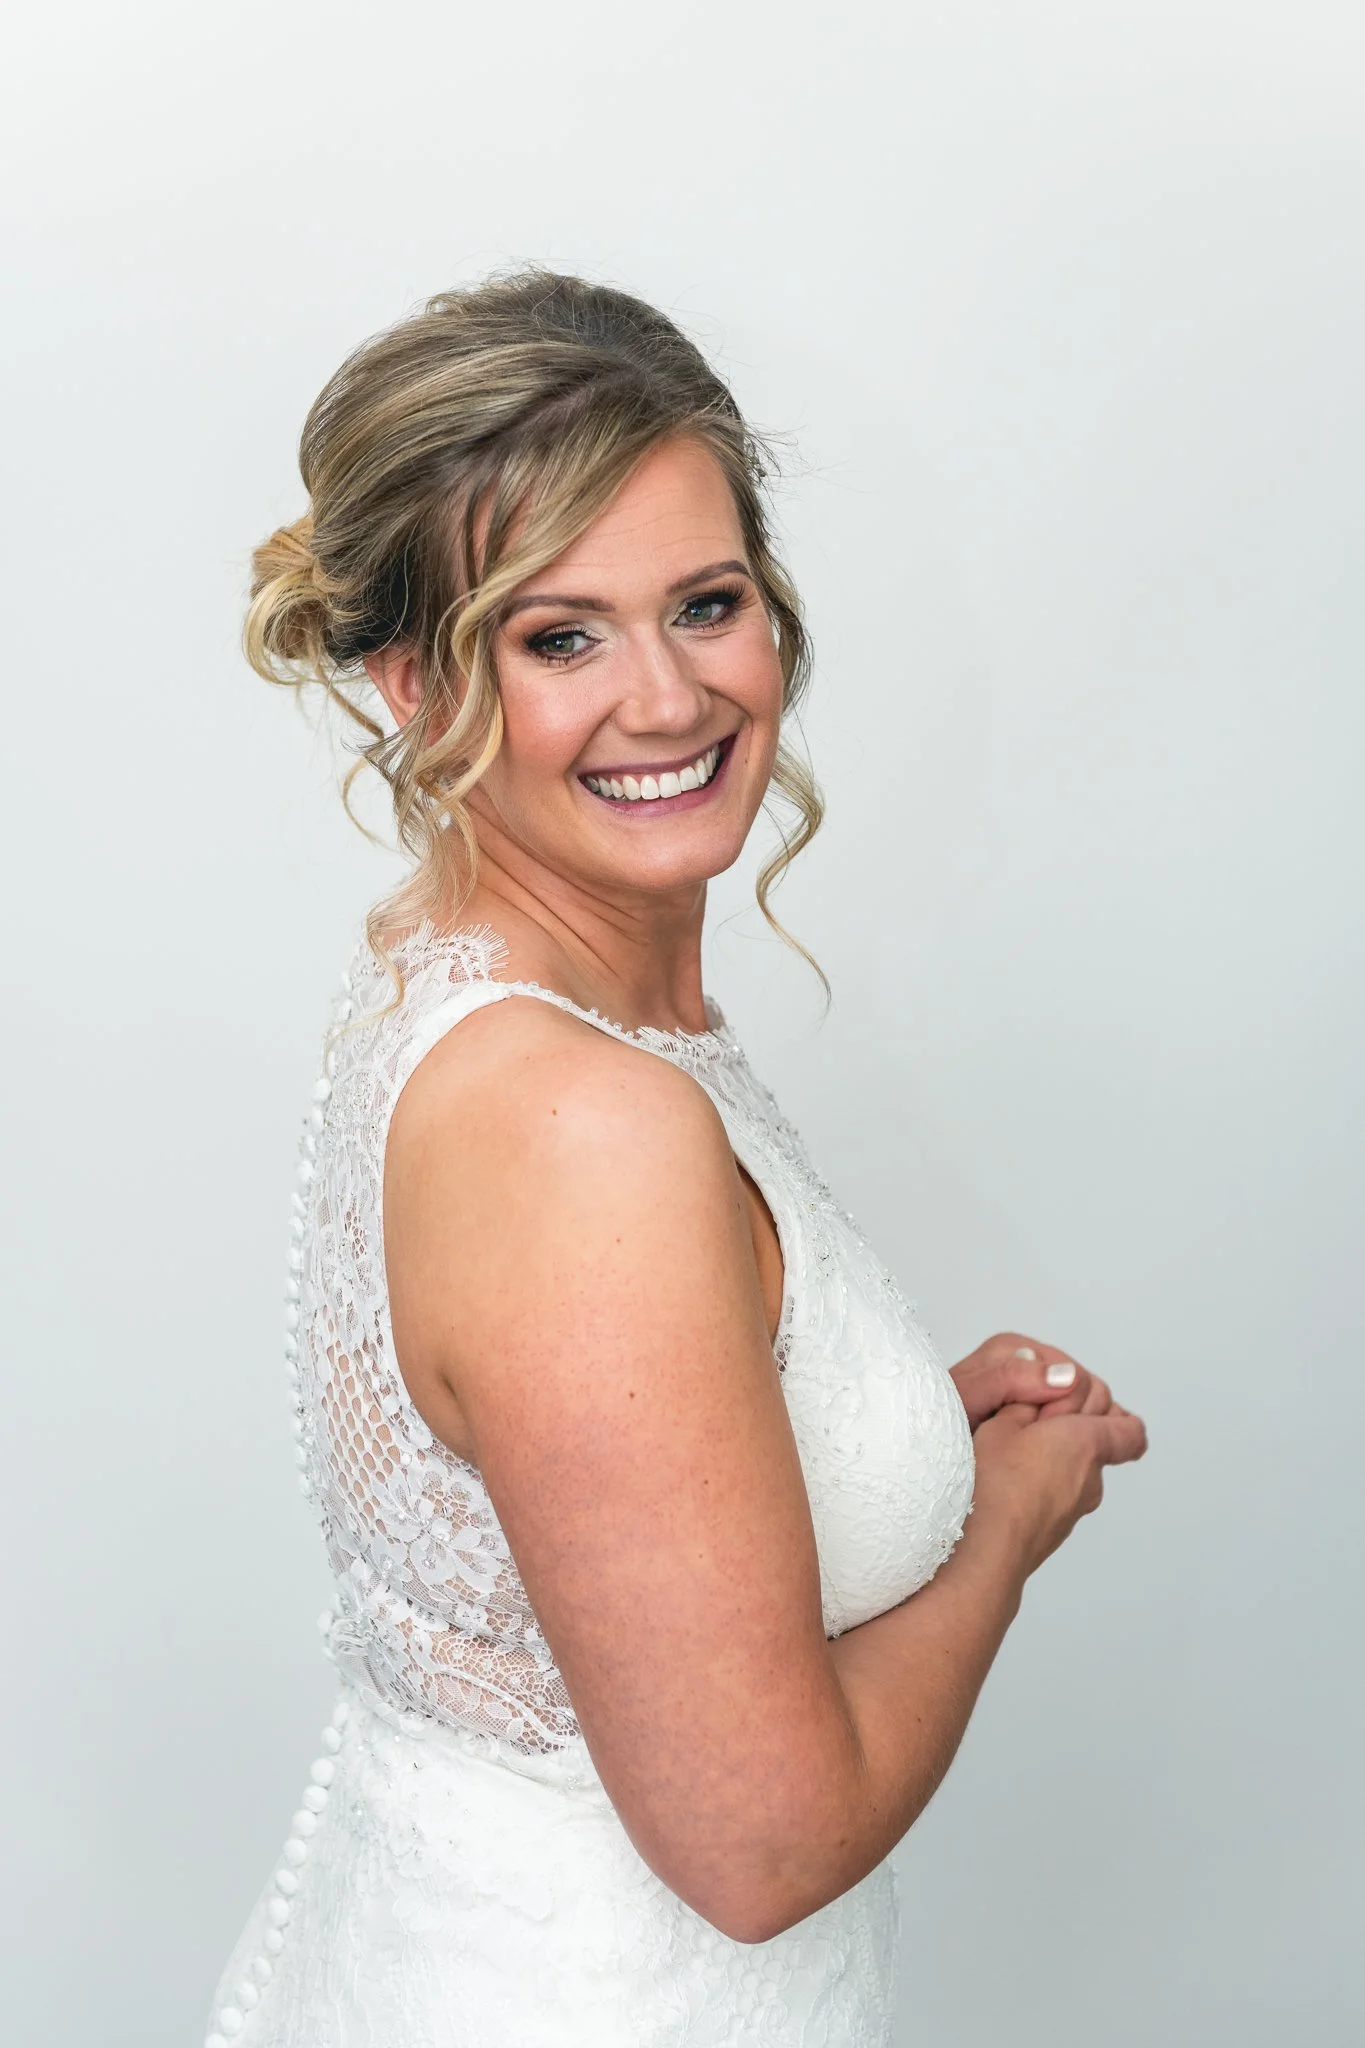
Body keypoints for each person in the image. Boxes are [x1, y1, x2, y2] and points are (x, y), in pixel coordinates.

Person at [204, 269, 1147, 2048]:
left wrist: (885, 1432)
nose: (666, 696)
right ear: (412, 681)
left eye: (705, 605)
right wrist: (1006, 1525)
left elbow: (570, 1516)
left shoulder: (491, 989)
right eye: (560, 636)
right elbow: (757, 1839)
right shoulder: (577, 1124)